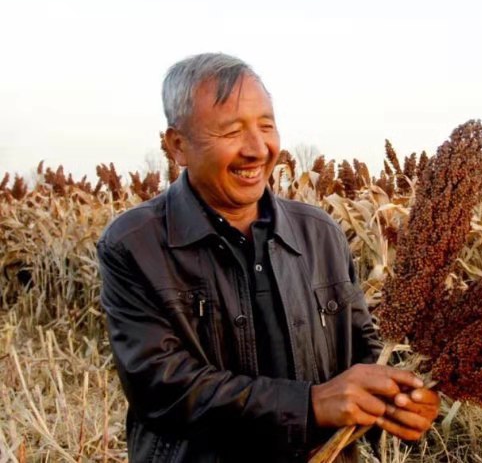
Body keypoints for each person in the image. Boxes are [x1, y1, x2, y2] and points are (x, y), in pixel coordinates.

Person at [98, 53, 440, 462]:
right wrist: (309, 405)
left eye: (266, 126)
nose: (258, 149)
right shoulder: (136, 244)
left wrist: (403, 397)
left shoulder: (319, 233)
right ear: (178, 145)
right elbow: (161, 388)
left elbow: (364, 350)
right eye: (231, 131)